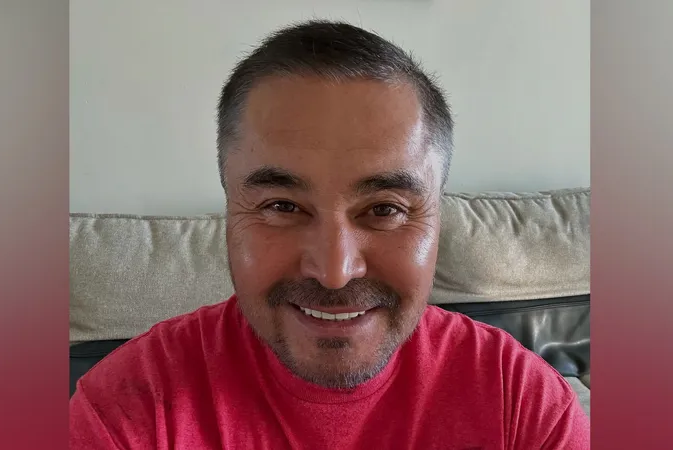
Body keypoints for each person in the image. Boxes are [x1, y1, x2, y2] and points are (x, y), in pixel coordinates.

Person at [69, 20, 590, 449]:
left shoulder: (522, 405)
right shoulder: (124, 413)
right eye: (282, 206)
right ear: (228, 207)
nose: (336, 271)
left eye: (384, 209)